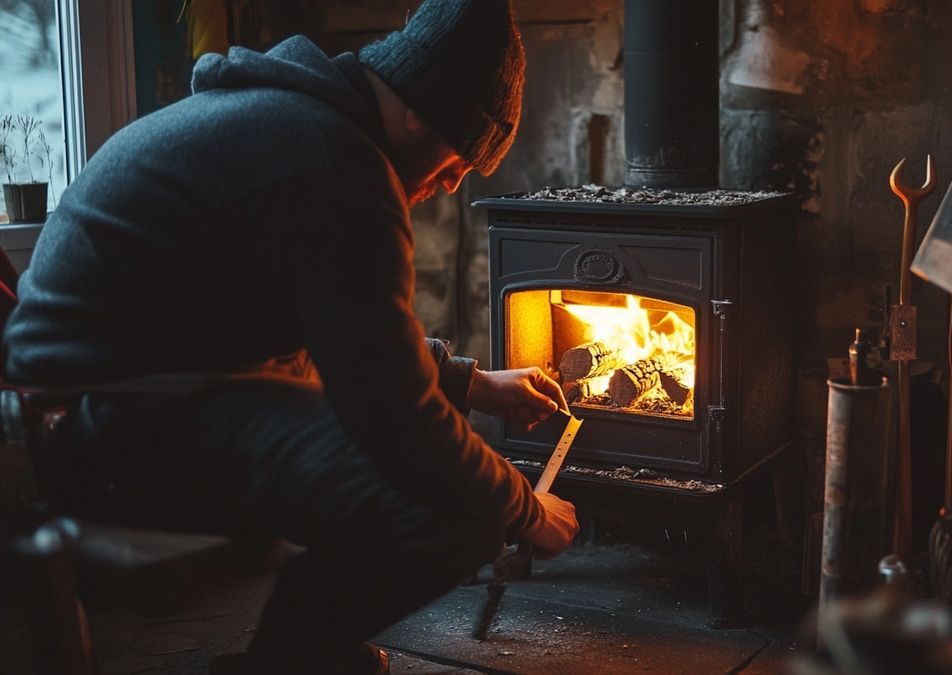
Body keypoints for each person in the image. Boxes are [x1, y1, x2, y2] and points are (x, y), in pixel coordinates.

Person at [1, 1, 579, 673]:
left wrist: (470, 382)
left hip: (103, 406)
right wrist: (524, 508)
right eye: (459, 159)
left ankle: (310, 652)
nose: (451, 181)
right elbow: (396, 418)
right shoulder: (334, 166)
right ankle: (284, 663)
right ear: (421, 110)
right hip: (90, 434)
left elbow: (346, 333)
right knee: (452, 509)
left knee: (424, 461)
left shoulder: (292, 126)